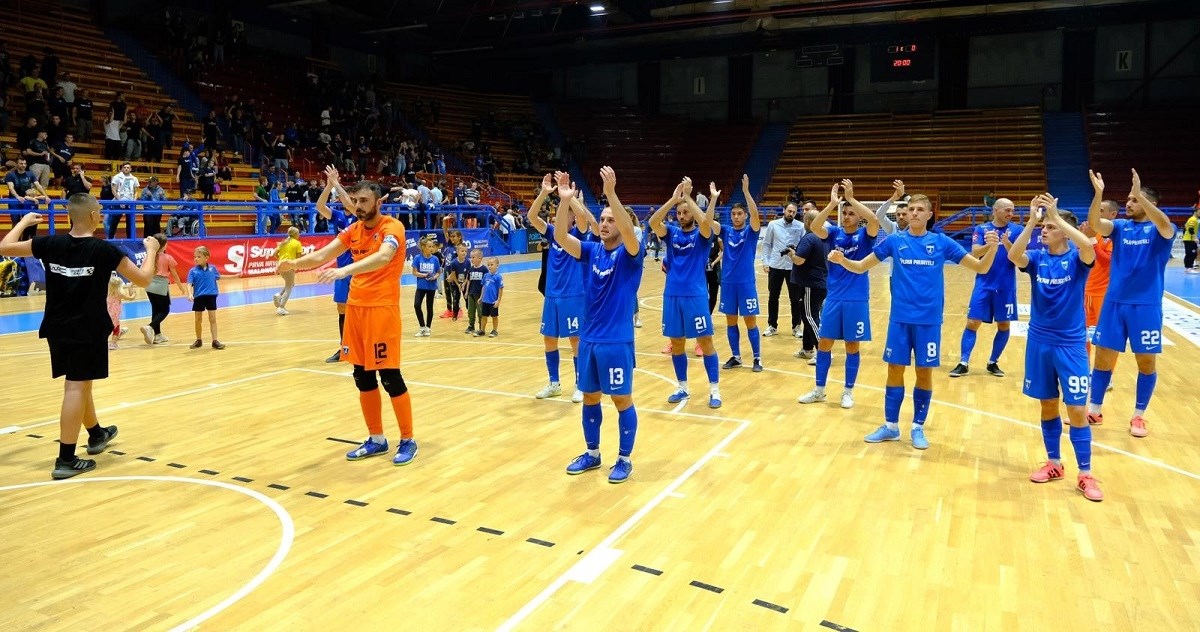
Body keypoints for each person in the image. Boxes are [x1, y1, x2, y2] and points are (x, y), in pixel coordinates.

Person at [0, 195, 159, 479]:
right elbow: (145, 280)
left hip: (57, 326)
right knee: (75, 387)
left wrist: (23, 222)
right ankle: (66, 459)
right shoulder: (104, 250)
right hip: (87, 328)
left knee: (80, 382)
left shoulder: (49, 243)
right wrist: (152, 249)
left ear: (70, 216)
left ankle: (96, 433)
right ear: (96, 215)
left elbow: (5, 246)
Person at [828, 193, 1000, 450]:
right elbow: (862, 266)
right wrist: (843, 261)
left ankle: (918, 427)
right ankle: (891, 426)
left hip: (929, 321)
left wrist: (994, 248)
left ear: (930, 215)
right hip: (899, 319)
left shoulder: (942, 242)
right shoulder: (895, 241)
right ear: (906, 214)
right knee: (894, 370)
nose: (915, 213)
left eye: (920, 209)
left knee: (923, 372)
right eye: (911, 209)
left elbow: (981, 268)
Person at [278, 179, 418, 466]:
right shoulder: (352, 230)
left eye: (364, 201)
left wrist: (345, 271)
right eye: (355, 201)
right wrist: (294, 264)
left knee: (390, 377)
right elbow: (321, 255)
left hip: (381, 311)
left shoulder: (392, 228)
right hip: (356, 310)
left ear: (379, 202)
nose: (358, 207)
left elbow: (383, 257)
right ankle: (377, 439)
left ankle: (408, 439)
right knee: (362, 376)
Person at [1006, 196, 1103, 501]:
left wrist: (1057, 218)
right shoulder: (1036, 259)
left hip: (1071, 345)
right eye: (1044, 227)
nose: (1044, 231)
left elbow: (1088, 247)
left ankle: (1085, 474)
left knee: (1076, 409)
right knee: (1048, 406)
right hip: (1039, 342)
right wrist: (1033, 220)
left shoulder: (1077, 259)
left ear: (1064, 230)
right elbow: (1013, 255)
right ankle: (1054, 463)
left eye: (1050, 227)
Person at [554, 167, 644, 483]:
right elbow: (560, 237)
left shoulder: (631, 254)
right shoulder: (591, 251)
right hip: (589, 339)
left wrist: (610, 194)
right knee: (590, 397)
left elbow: (630, 234)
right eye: (602, 219)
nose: (604, 224)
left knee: (621, 400)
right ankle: (592, 454)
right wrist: (565, 200)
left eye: (610, 220)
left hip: (616, 341)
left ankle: (624, 459)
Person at [1085, 169, 1176, 437]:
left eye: (1134, 200)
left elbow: (1164, 224)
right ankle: (1094, 409)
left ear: (1150, 204)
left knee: (1146, 363)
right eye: (1128, 198)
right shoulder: (1121, 227)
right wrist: (1099, 193)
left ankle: (1138, 416)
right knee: (1102, 358)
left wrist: (1141, 194)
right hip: (1114, 303)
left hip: (1145, 306)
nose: (1129, 203)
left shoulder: (1162, 230)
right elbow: (1094, 223)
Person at [797, 180, 880, 409]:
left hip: (856, 299)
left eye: (851, 213)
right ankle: (820, 390)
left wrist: (852, 199)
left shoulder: (865, 235)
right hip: (833, 297)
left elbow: (873, 220)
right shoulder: (833, 233)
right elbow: (814, 227)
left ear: (858, 217)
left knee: (852, 346)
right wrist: (833, 203)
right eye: (845, 213)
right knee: (824, 344)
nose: (847, 216)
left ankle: (848, 392)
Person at [649, 176, 722, 408]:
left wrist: (689, 199)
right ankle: (683, 387)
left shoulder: (702, 236)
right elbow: (652, 223)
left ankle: (714, 390)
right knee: (677, 344)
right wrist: (673, 200)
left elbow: (706, 223)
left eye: (685, 212)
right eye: (679, 213)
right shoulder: (671, 232)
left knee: (706, 342)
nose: (682, 216)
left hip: (696, 295)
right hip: (672, 295)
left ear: (692, 212)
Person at [527, 173, 598, 402]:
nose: (556, 218)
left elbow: (584, 219)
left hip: (573, 295)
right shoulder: (551, 233)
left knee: (575, 340)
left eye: (561, 215)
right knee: (549, 339)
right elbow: (531, 216)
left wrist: (569, 198)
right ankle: (554, 383)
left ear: (571, 219)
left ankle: (580, 384)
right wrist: (545, 192)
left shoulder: (578, 234)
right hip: (552, 295)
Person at [948, 197, 1023, 378]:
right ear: (995, 210)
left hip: (1006, 286)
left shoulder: (1017, 230)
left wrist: (1006, 243)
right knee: (973, 322)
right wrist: (990, 245)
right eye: (1007, 210)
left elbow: (1019, 256)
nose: (1010, 213)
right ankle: (963, 362)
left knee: (1004, 325)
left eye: (1012, 210)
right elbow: (975, 252)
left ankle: (993, 362)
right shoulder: (981, 229)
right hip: (983, 283)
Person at [713, 175, 764, 371]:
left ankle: (757, 359)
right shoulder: (725, 231)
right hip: (728, 283)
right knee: (731, 320)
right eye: (733, 213)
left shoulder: (752, 231)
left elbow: (756, 215)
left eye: (739, 213)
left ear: (745, 215)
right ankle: (736, 356)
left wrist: (745, 191)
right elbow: (708, 222)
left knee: (750, 321)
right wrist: (714, 200)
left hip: (746, 283)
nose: (736, 216)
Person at [314, 166, 356, 363]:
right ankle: (344, 347)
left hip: (359, 268)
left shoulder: (360, 215)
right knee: (342, 308)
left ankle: (360, 345)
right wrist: (329, 185)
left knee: (359, 308)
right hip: (342, 268)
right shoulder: (339, 216)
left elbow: (348, 202)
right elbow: (320, 207)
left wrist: (337, 184)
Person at [785, 204, 830, 362]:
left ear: (808, 221)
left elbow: (799, 260)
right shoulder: (825, 237)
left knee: (810, 317)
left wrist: (792, 254)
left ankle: (823, 352)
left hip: (811, 284)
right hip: (821, 282)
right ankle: (807, 348)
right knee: (807, 317)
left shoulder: (810, 237)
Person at [759, 201, 805, 337]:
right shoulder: (773, 225)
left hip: (793, 267)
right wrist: (765, 262)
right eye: (789, 211)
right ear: (784, 210)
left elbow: (803, 245)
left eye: (794, 212)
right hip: (775, 266)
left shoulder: (800, 226)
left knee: (795, 299)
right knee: (773, 297)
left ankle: (796, 326)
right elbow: (766, 244)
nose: (791, 214)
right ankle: (772, 325)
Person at [139, 233, 187, 345]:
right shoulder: (168, 258)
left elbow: (141, 269)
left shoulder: (149, 256)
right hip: (161, 286)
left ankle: (157, 335)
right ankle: (149, 327)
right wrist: (180, 286)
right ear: (164, 245)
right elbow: (174, 275)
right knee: (165, 310)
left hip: (149, 285)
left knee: (155, 309)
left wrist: (133, 284)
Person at [187, 246, 225, 350]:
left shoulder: (213, 269)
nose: (196, 259)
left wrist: (236, 275)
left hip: (211, 296)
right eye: (195, 257)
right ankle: (198, 340)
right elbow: (189, 283)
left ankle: (215, 340)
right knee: (198, 319)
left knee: (212, 318)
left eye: (199, 257)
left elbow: (220, 277)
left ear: (206, 257)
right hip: (199, 297)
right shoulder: (193, 271)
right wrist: (190, 293)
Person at [411, 236, 441, 336]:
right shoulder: (418, 258)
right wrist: (424, 275)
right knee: (417, 305)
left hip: (431, 286)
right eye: (429, 246)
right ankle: (422, 326)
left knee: (429, 307)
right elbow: (414, 272)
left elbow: (438, 272)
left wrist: (434, 277)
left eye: (432, 246)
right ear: (423, 247)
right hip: (421, 286)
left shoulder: (435, 259)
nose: (431, 248)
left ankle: (428, 327)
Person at [274, 226, 303, 315]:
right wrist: (296, 267)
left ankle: (279, 295)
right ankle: (281, 307)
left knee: (290, 284)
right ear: (295, 234)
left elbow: (274, 254)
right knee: (289, 288)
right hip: (289, 266)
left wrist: (280, 260)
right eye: (298, 233)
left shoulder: (284, 242)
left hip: (280, 266)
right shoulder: (297, 243)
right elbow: (298, 258)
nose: (299, 235)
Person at [107, 162, 139, 240]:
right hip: (118, 201)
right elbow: (113, 190)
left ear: (131, 169)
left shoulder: (134, 178)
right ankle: (110, 239)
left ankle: (130, 239)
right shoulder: (117, 177)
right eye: (124, 167)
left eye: (128, 167)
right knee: (114, 221)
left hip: (130, 202)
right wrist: (119, 200)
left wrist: (134, 201)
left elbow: (136, 191)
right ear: (122, 168)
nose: (126, 169)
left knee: (130, 222)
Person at [106, 273, 136, 350]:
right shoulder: (118, 294)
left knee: (107, 327)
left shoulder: (106, 293)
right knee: (116, 328)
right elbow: (131, 298)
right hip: (114, 315)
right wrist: (133, 293)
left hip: (106, 314)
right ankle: (113, 343)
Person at [463, 248, 487, 335]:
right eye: (471, 257)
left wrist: (483, 295)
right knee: (470, 311)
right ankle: (471, 325)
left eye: (473, 257)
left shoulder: (484, 269)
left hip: (480, 294)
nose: (471, 259)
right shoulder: (471, 269)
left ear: (480, 258)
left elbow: (485, 283)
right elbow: (469, 280)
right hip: (471, 293)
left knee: (480, 311)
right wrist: (466, 292)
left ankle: (481, 327)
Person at [480, 256, 504, 337]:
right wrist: (481, 297)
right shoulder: (486, 275)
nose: (489, 266)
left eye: (492, 264)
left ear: (497, 265)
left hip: (493, 301)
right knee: (483, 316)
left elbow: (500, 289)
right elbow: (483, 287)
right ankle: (482, 330)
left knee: (494, 317)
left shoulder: (498, 277)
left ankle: (494, 330)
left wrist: (498, 300)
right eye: (488, 265)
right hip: (485, 300)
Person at [1184, 203, 1199, 273]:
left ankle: (1187, 268)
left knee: (1189, 253)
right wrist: (1195, 238)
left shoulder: (1192, 219)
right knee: (1192, 253)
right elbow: (1190, 229)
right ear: (1195, 212)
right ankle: (1189, 268)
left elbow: (1185, 227)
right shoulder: (1193, 219)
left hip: (1188, 239)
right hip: (1190, 239)